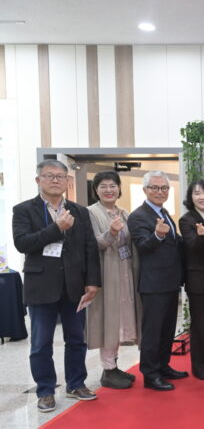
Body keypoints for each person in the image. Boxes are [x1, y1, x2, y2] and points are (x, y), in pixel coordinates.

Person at [12, 160, 100, 412]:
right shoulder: (23, 210)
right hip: (41, 286)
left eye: (60, 176)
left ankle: (76, 384)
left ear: (66, 181)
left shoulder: (79, 211)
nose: (55, 180)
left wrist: (92, 281)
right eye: (49, 176)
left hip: (74, 286)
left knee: (76, 340)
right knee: (41, 343)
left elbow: (90, 247)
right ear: (38, 180)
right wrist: (56, 228)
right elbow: (22, 243)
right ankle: (45, 391)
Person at [128, 170, 187, 391]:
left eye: (164, 188)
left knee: (167, 329)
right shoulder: (138, 216)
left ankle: (163, 366)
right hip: (153, 284)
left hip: (170, 281)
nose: (160, 192)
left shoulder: (163, 212)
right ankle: (150, 374)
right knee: (153, 331)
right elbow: (143, 246)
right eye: (155, 187)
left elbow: (175, 243)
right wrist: (158, 235)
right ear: (145, 190)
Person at [86, 170, 141, 389]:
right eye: (103, 186)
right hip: (107, 274)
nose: (109, 190)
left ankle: (114, 365)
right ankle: (108, 370)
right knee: (109, 320)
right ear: (96, 190)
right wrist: (111, 233)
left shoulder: (124, 212)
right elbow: (93, 244)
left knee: (121, 320)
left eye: (113, 186)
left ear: (119, 188)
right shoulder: (91, 213)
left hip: (125, 272)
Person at [178, 179, 204, 381]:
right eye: (197, 193)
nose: (202, 197)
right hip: (198, 279)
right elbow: (192, 247)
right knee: (200, 325)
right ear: (191, 197)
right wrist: (202, 236)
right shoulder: (187, 220)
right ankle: (199, 366)